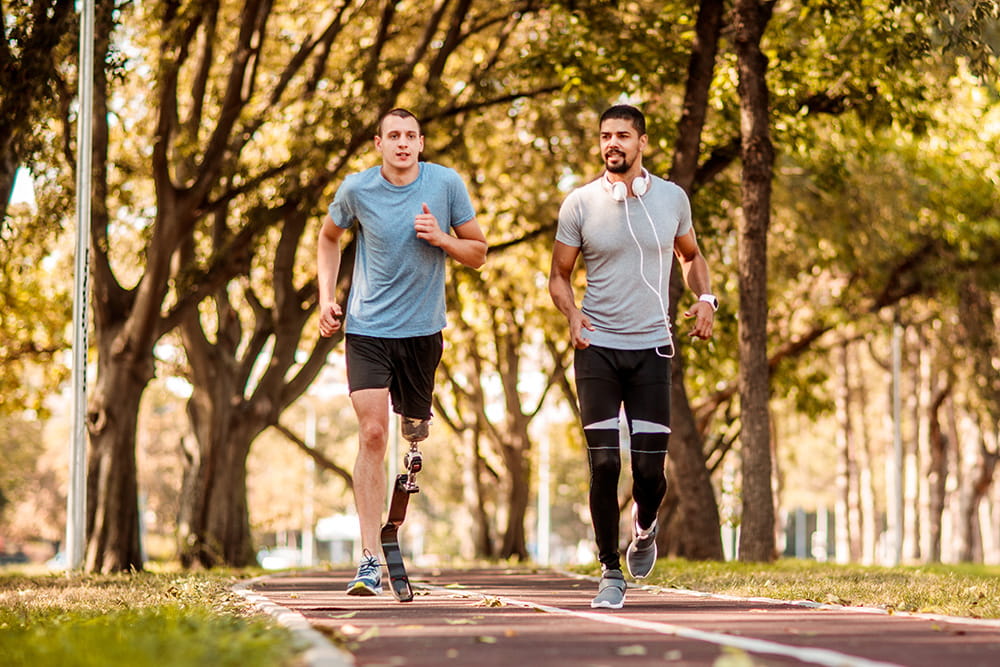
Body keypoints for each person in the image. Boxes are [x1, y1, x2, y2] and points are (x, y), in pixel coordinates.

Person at [548, 104, 717, 610]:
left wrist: (705, 298)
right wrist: (572, 314)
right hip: (596, 348)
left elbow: (690, 256)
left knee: (648, 473)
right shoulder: (579, 204)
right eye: (604, 136)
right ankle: (609, 569)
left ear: (642, 141)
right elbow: (558, 274)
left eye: (622, 135)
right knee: (603, 462)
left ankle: (644, 527)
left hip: (652, 348)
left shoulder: (670, 199)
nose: (611, 144)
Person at [318, 108, 487, 596]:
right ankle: (369, 558)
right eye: (393, 136)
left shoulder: (445, 184)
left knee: (412, 431)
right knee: (372, 433)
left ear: (420, 142)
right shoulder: (357, 190)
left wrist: (441, 238)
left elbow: (479, 253)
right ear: (378, 144)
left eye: (411, 136)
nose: (402, 144)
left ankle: (413, 438)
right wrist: (327, 298)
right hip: (367, 327)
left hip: (422, 332)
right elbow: (329, 237)